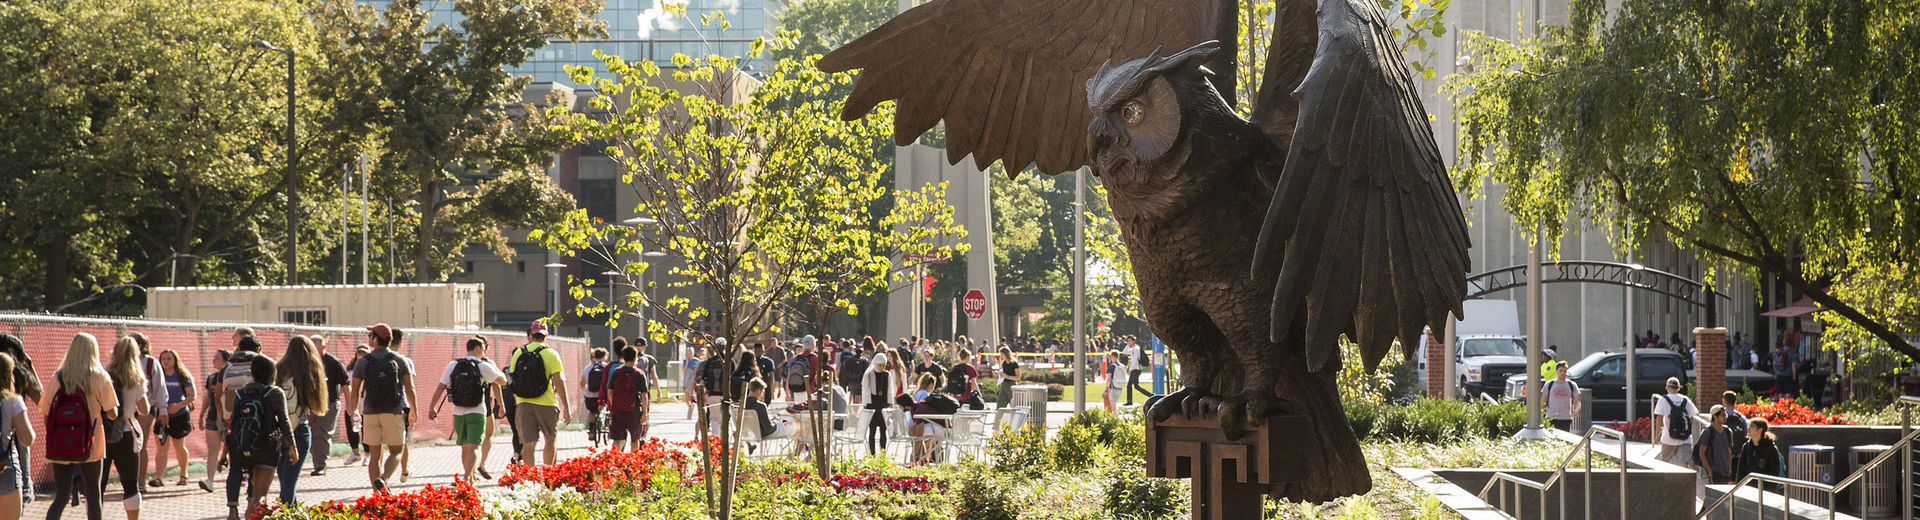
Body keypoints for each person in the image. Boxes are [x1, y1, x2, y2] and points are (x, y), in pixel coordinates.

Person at [44, 333, 119, 520]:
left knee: (61, 496)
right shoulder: (99, 376)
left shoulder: (58, 377)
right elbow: (113, 413)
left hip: (60, 440)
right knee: (93, 496)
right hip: (91, 441)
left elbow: (46, 411)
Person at [346, 323, 416, 493]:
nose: (368, 338)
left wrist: (353, 410)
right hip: (393, 411)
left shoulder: (363, 361)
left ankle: (378, 495)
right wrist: (414, 410)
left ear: (376, 339)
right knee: (396, 451)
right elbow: (409, 388)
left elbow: (355, 390)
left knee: (374, 456)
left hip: (370, 413)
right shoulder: (400, 360)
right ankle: (384, 479)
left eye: (370, 335)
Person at [429, 337, 508, 482]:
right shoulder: (482, 365)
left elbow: (441, 387)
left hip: (458, 412)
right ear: (477, 349)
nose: (483, 353)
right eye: (483, 350)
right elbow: (502, 381)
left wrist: (432, 407)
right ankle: (467, 478)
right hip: (477, 411)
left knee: (464, 447)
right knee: (474, 447)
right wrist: (498, 372)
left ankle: (470, 477)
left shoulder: (453, 364)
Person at [225, 356, 295, 520]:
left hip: (243, 448)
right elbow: (284, 421)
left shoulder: (241, 393)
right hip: (267, 447)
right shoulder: (275, 392)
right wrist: (292, 446)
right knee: (260, 495)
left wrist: (226, 451)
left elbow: (233, 423)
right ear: (272, 373)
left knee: (255, 494)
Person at [507, 321, 570, 467]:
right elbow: (559, 381)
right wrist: (566, 406)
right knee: (550, 439)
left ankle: (531, 479)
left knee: (529, 443)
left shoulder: (518, 353)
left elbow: (511, 379)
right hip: (547, 402)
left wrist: (518, 399)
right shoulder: (552, 354)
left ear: (531, 334)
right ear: (546, 334)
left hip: (523, 403)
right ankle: (548, 474)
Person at [274, 336, 328, 504]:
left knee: (284, 478)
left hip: (278, 429)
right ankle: (289, 513)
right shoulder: (310, 371)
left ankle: (293, 513)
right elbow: (316, 406)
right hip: (299, 428)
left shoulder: (278, 370)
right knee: (289, 482)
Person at [101, 337, 149, 520]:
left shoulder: (103, 373)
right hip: (127, 433)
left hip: (103, 434)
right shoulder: (136, 378)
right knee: (130, 484)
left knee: (98, 485)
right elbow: (144, 410)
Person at [0, 333, 39, 506]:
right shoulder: (21, 383)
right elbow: (42, 399)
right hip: (10, 450)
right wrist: (31, 368)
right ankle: (24, 492)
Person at [125, 334, 166, 495]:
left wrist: (163, 411)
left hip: (146, 407)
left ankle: (140, 482)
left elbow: (160, 389)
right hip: (126, 408)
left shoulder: (150, 363)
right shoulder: (122, 362)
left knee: (140, 443)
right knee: (126, 445)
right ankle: (129, 480)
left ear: (140, 345)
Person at [149, 350, 194, 488]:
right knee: (161, 446)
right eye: (163, 359)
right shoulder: (157, 376)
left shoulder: (183, 375)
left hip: (179, 415)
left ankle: (183, 474)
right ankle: (159, 477)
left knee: (179, 446)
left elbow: (192, 396)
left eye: (169, 358)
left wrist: (178, 406)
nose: (166, 361)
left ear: (175, 359)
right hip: (162, 415)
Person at [309, 335, 350, 477]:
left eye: (317, 347)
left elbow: (345, 383)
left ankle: (320, 465)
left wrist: (351, 406)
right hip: (309, 404)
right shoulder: (307, 363)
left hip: (329, 404)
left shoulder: (333, 363)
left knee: (322, 433)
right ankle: (315, 461)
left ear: (324, 347)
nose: (314, 350)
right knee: (311, 434)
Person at [601, 346, 652, 451]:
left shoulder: (616, 372)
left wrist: (614, 405)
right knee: (634, 439)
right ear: (635, 357)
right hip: (634, 411)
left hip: (618, 411)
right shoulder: (639, 374)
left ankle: (614, 460)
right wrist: (645, 413)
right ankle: (633, 462)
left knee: (617, 439)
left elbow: (609, 391)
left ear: (623, 358)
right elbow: (644, 395)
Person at [196, 349, 231, 493]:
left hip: (228, 417)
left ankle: (241, 477)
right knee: (213, 450)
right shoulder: (211, 378)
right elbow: (207, 397)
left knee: (233, 449)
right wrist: (201, 415)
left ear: (225, 360)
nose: (213, 360)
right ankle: (210, 480)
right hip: (212, 417)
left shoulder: (230, 376)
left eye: (217, 358)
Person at [1651, 377, 1699, 466]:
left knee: (1665, 462)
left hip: (1668, 437)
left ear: (1667, 387)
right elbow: (1692, 418)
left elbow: (1659, 419)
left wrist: (1657, 436)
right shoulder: (1686, 400)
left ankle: (1666, 480)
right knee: (1684, 463)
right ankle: (1686, 480)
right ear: (1679, 388)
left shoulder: (1663, 400)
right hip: (1685, 438)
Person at [862, 350, 897, 456]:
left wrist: (891, 404)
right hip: (872, 404)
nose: (881, 367)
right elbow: (865, 391)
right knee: (872, 431)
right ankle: (872, 453)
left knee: (883, 430)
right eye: (879, 365)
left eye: (883, 365)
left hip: (883, 404)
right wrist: (865, 405)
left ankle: (882, 453)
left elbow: (890, 390)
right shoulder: (869, 374)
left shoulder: (887, 375)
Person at [340, 345, 370, 468]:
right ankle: (355, 453)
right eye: (359, 353)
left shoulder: (371, 370)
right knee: (351, 429)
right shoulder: (350, 371)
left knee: (366, 431)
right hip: (351, 405)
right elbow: (344, 387)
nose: (361, 356)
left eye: (364, 354)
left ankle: (368, 454)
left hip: (366, 405)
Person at [1733, 417, 1782, 485]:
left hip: (1764, 489)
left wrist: (1770, 489)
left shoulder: (1770, 448)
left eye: (1752, 426)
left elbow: (1774, 471)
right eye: (1748, 426)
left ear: (1760, 429)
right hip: (1748, 488)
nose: (1748, 429)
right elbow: (1741, 469)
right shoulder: (1747, 446)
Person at [1697, 405, 1736, 484]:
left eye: (1725, 415)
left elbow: (1729, 452)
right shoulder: (1708, 432)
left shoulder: (1728, 431)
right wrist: (1709, 471)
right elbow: (1702, 452)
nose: (1725, 417)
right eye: (1722, 415)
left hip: (1725, 472)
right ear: (1715, 416)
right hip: (1714, 471)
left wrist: (1729, 469)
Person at [580, 347, 610, 447]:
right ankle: (605, 425)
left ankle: (592, 429)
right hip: (602, 396)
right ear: (604, 356)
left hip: (590, 396)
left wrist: (587, 391)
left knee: (591, 412)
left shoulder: (587, 369)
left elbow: (582, 383)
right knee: (606, 410)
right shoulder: (607, 368)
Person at [1543, 361, 1581, 431]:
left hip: (1566, 418)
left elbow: (1577, 401)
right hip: (1551, 418)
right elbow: (1543, 401)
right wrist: (1541, 415)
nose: (1562, 373)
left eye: (1565, 371)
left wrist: (1576, 410)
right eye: (1560, 371)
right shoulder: (1549, 384)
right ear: (1556, 372)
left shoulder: (1572, 385)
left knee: (1564, 440)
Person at [1122, 340, 1150, 406]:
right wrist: (1128, 345)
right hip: (1135, 369)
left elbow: (1134, 361)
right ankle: (1129, 401)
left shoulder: (1136, 349)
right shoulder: (1133, 349)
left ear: (1134, 341)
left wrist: (1130, 370)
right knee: (1129, 385)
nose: (1128, 342)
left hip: (1136, 369)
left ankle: (1150, 395)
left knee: (1136, 386)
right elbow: (1124, 352)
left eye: (1129, 341)